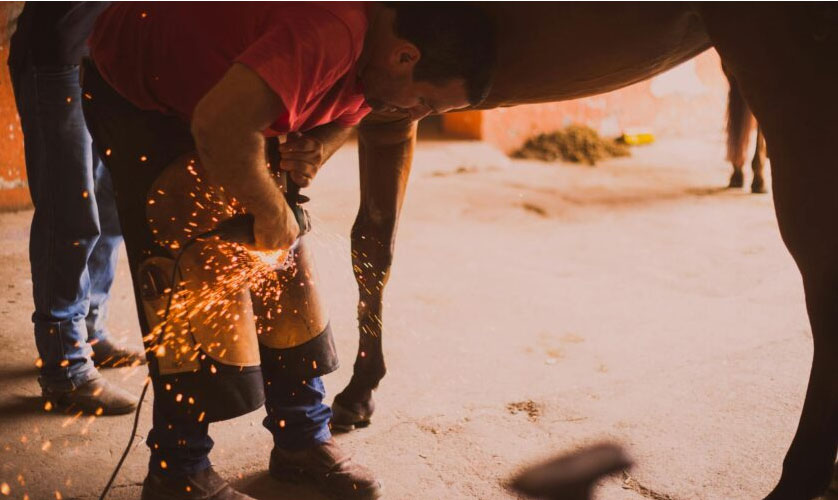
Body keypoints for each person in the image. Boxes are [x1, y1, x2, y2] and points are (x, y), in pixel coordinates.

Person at [81, 3, 496, 499]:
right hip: (145, 93)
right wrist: (269, 209)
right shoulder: (329, 32)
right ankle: (178, 470)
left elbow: (360, 105)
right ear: (405, 57)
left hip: (235, 95)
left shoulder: (380, 58)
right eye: (425, 101)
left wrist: (319, 142)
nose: (417, 116)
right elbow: (218, 125)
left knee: (285, 264)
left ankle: (301, 440)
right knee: (193, 267)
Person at [7, 2, 145, 416]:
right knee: (70, 213)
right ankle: (65, 366)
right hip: (57, 60)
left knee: (109, 205)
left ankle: (88, 328)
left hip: (107, 62)